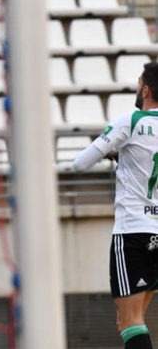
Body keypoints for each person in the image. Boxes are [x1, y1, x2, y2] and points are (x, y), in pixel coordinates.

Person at [73, 62, 158, 349]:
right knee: (136, 320)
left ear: (146, 89)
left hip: (133, 232)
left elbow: (80, 164)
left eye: (138, 83)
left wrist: (111, 149)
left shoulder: (131, 121)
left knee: (129, 322)